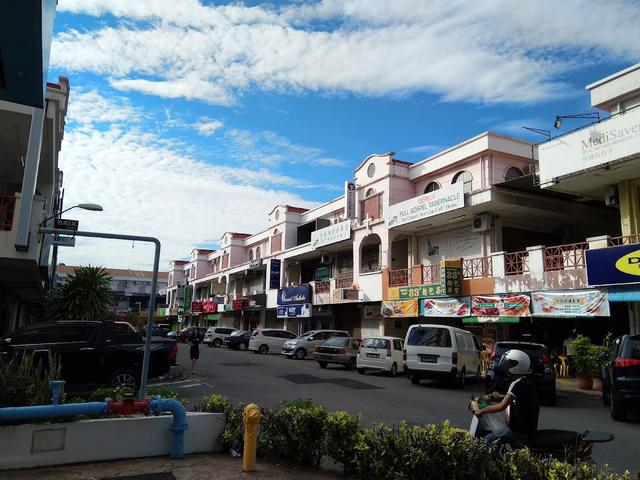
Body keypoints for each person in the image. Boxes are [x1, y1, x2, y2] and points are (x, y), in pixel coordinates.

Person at [472, 349, 539, 444]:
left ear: (517, 366)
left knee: (487, 441)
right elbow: (516, 398)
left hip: (518, 432)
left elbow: (501, 406)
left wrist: (481, 410)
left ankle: (494, 459)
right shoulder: (526, 382)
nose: (507, 367)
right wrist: (498, 396)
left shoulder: (517, 384)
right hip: (526, 429)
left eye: (510, 364)